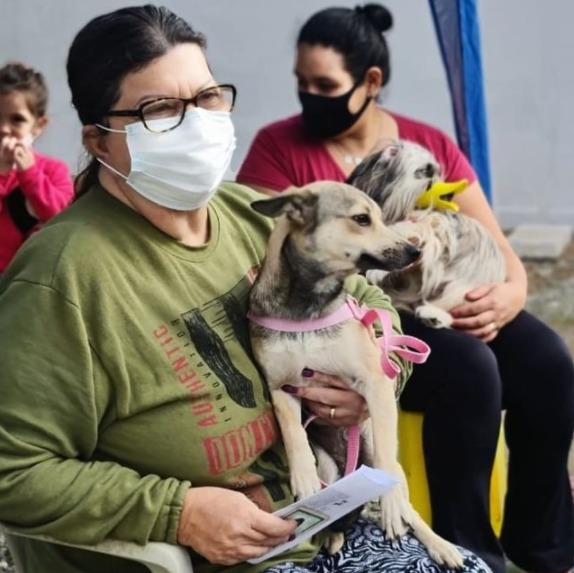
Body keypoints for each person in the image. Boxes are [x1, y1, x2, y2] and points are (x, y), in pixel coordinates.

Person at [0, 5, 492, 573]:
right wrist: (177, 513)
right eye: (160, 109)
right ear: (101, 140)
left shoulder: (253, 214)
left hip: (327, 524)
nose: (196, 123)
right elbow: (13, 469)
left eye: (208, 98)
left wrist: (372, 374)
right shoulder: (64, 278)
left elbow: (369, 294)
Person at [236, 5, 574, 573]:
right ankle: (469, 551)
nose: (308, 97)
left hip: (445, 297)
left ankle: (546, 547)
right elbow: (262, 256)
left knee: (548, 362)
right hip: (358, 315)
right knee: (468, 369)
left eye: (324, 85)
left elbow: (495, 241)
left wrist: (511, 294)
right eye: (301, 84)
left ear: (370, 83)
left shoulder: (424, 143)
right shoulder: (279, 149)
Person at [0, 61, 74, 273]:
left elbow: (60, 219)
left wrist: (30, 175)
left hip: (29, 281)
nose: (4, 129)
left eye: (17, 120)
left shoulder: (52, 170)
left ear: (38, 125)